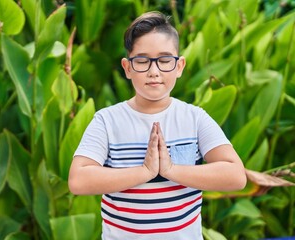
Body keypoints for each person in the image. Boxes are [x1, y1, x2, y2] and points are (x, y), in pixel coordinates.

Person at [68, 11, 246, 240]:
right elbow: (78, 180)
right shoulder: (107, 121)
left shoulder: (194, 118)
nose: (154, 71)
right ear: (127, 67)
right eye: (142, 61)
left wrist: (171, 171)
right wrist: (144, 172)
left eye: (164, 60)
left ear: (179, 66)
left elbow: (236, 176)